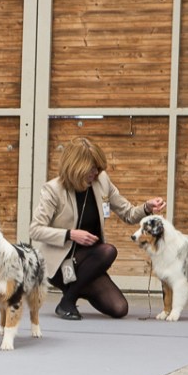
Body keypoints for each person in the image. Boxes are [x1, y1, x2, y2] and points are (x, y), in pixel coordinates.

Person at [29, 136, 165, 320]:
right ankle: (68, 300)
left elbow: (129, 213)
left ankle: (73, 292)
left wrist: (147, 207)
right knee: (108, 251)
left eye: (98, 167)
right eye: (91, 168)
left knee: (119, 308)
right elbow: (35, 229)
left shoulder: (102, 181)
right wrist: (70, 234)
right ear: (76, 166)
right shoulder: (53, 190)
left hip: (90, 264)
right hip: (61, 264)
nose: (96, 172)